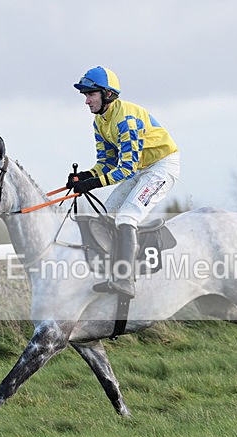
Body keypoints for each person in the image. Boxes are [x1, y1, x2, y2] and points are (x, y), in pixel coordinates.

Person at [68, 66, 180, 298]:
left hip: (161, 167)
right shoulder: (99, 122)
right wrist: (86, 176)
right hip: (142, 168)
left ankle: (125, 280)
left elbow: (126, 169)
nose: (86, 101)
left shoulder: (126, 120)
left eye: (91, 94)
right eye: (85, 95)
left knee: (127, 217)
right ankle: (110, 271)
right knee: (107, 214)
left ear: (108, 94)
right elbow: (107, 163)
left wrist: (92, 184)